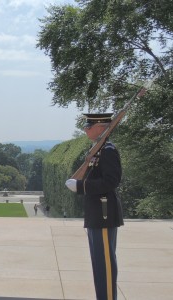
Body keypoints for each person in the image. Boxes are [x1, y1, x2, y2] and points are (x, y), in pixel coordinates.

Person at [65, 113, 124, 300]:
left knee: (105, 266)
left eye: (89, 126)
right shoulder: (98, 150)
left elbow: (111, 181)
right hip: (96, 214)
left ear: (101, 127)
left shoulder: (107, 150)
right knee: (99, 264)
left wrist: (81, 186)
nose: (86, 129)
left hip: (104, 214)